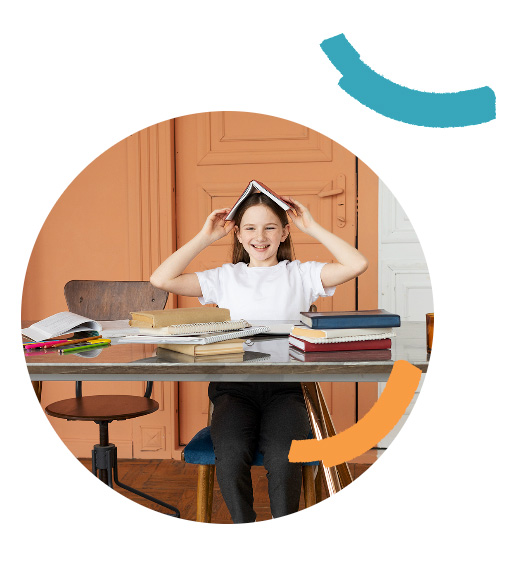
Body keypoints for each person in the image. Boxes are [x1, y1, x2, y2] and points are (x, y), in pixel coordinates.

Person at [150, 191, 368, 523]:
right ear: (237, 233)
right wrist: (204, 238)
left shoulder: (302, 275)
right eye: (250, 228)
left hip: (288, 389)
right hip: (234, 389)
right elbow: (160, 279)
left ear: (284, 232)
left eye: (270, 228)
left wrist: (313, 227)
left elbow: (357, 264)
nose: (260, 237)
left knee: (284, 456)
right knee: (233, 451)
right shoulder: (224, 277)